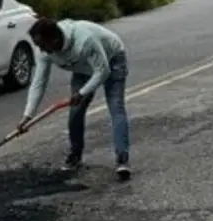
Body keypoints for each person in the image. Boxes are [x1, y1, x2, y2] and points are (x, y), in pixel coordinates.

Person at [17, 16, 131, 180]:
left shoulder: (84, 41)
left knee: (116, 107)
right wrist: (27, 115)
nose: (41, 50)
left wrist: (82, 93)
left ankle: (122, 159)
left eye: (43, 45)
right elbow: (39, 82)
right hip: (82, 68)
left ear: (55, 39)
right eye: (38, 46)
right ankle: (75, 156)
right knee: (76, 112)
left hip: (112, 59)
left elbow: (102, 71)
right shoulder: (43, 50)